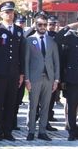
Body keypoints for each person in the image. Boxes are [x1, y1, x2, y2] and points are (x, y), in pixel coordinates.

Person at [0, 2, 26, 141]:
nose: (9, 14)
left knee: (11, 103)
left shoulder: (18, 30)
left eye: (11, 12)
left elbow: (21, 52)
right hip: (0, 72)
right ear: (1, 14)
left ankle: (8, 131)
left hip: (14, 72)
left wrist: (22, 73)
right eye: (6, 12)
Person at [23, 13, 59, 141]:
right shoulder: (29, 40)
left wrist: (56, 79)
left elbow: (56, 62)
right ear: (35, 25)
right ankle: (31, 130)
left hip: (48, 78)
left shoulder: (51, 41)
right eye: (40, 24)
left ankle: (42, 131)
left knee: (45, 105)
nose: (42, 27)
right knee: (33, 105)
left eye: (45, 24)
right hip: (34, 78)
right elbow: (26, 61)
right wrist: (27, 79)